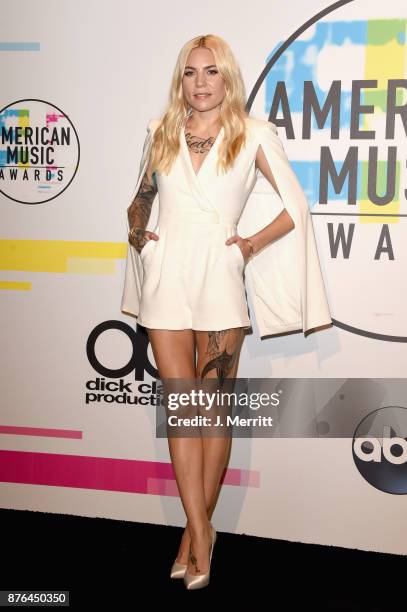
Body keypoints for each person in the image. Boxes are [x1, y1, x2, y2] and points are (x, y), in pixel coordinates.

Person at [121, 34, 332, 589]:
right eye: (191, 72)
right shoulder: (161, 129)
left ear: (227, 77)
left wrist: (249, 246)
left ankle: (195, 537)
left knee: (208, 411)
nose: (200, 82)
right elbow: (140, 196)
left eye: (211, 71)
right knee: (181, 408)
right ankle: (200, 528)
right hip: (166, 278)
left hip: (219, 276)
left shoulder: (252, 132)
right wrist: (141, 235)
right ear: (181, 79)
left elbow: (295, 206)